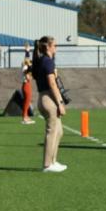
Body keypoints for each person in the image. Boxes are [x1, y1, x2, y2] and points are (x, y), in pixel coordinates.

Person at [32, 36, 67, 172]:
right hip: (49, 98)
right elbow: (52, 84)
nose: (56, 48)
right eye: (55, 45)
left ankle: (53, 161)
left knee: (59, 131)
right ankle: (47, 165)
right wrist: (60, 103)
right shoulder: (47, 62)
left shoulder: (42, 61)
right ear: (48, 47)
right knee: (52, 131)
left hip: (44, 98)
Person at [21, 58, 34, 124]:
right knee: (27, 102)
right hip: (26, 85)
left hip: (27, 84)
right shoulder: (25, 67)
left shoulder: (26, 67)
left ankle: (26, 116)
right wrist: (30, 71)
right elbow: (28, 77)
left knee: (27, 102)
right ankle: (24, 118)